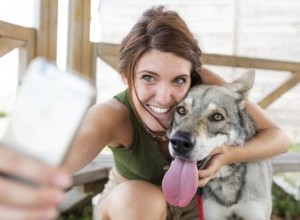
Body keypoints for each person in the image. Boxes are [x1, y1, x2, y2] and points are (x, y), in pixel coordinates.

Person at [0, 5, 289, 220]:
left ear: (192, 77)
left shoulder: (206, 84)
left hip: (196, 208)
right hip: (132, 210)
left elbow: (278, 137)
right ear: (127, 76)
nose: (165, 97)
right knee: (144, 199)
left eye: (178, 80)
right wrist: (19, 182)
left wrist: (229, 154)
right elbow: (47, 165)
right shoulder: (112, 115)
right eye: (149, 78)